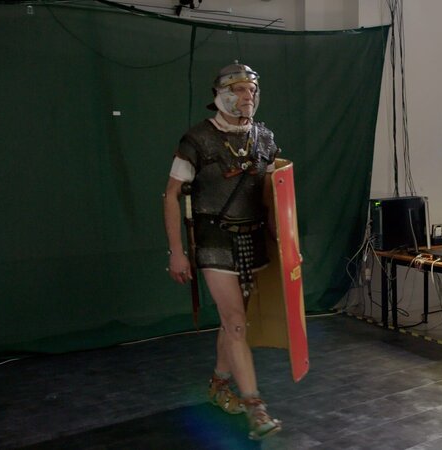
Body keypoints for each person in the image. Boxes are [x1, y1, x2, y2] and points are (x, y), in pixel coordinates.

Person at [163, 61, 282, 440]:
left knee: (235, 322)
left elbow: (274, 197)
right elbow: (171, 195)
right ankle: (255, 408)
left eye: (252, 89)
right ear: (222, 95)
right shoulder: (197, 139)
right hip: (214, 240)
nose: (249, 96)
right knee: (234, 321)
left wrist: (286, 245)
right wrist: (176, 251)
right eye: (240, 89)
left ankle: (218, 384)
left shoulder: (264, 138)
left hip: (253, 240)